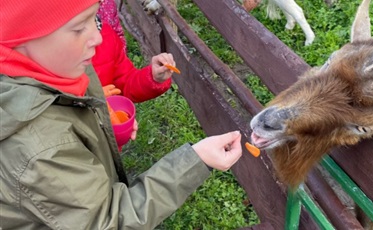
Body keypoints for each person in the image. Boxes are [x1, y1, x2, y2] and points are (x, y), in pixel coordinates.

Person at [0, 1, 243, 229]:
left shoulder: (59, 69)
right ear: (22, 37)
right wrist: (196, 160)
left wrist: (101, 120)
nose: (97, 37)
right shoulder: (41, 149)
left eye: (95, 19)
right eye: (78, 28)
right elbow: (106, 220)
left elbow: (124, 81)